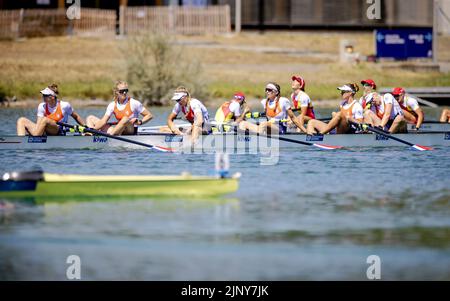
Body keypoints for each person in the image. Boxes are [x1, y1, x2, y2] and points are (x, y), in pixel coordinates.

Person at [86, 81, 153, 135]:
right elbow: (103, 121)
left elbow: (149, 115)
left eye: (126, 90)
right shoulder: (112, 105)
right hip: (119, 131)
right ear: (116, 92)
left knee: (125, 119)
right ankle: (90, 134)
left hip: (130, 131)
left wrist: (140, 122)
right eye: (122, 91)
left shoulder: (134, 103)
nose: (124, 93)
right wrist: (93, 130)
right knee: (90, 118)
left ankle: (110, 137)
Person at [16, 84, 85, 136]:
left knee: (45, 120)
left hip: (58, 131)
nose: (43, 97)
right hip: (43, 130)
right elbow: (38, 124)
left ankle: (33, 137)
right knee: (21, 120)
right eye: (43, 95)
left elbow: (76, 117)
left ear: (52, 97)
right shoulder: (41, 106)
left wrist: (86, 127)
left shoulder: (64, 105)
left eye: (45, 95)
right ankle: (21, 141)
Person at [238, 82, 304, 135]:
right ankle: (244, 141)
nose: (267, 91)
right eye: (266, 90)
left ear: (276, 92)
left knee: (264, 123)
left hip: (280, 129)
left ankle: (258, 141)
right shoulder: (264, 102)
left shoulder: (283, 101)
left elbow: (293, 118)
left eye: (269, 90)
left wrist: (304, 130)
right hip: (267, 127)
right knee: (243, 123)